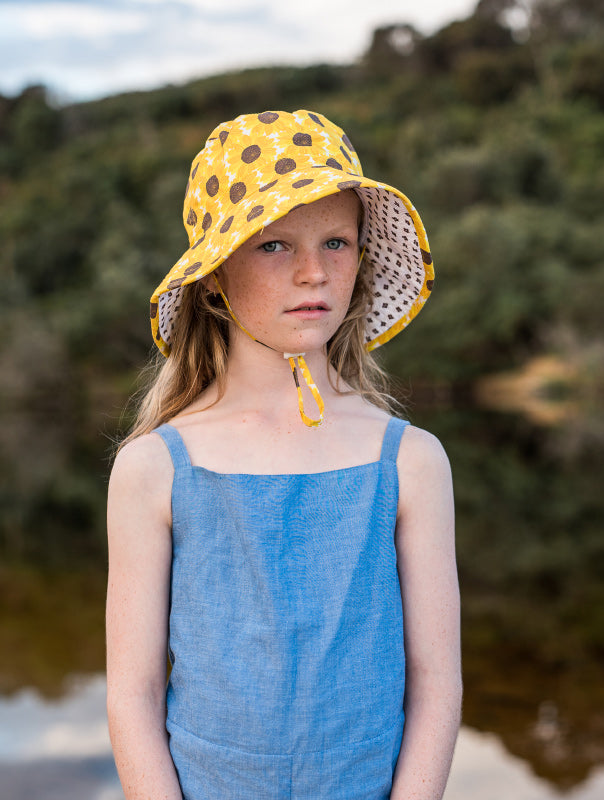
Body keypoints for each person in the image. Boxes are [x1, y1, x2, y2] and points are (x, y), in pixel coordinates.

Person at [105, 109, 461, 800]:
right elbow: (133, 694)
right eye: (273, 246)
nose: (312, 273)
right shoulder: (154, 468)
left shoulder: (411, 461)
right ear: (213, 277)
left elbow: (437, 683)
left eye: (336, 242)